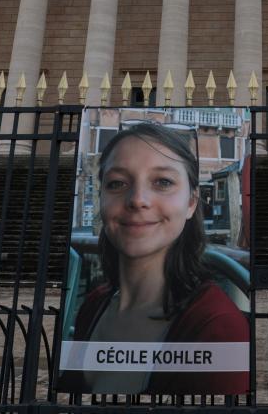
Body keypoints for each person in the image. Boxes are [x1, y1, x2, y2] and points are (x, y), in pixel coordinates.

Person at [63, 123, 248, 394]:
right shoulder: (93, 305)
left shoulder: (219, 327)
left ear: (191, 203)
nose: (138, 200)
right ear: (102, 199)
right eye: (117, 183)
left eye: (163, 182)